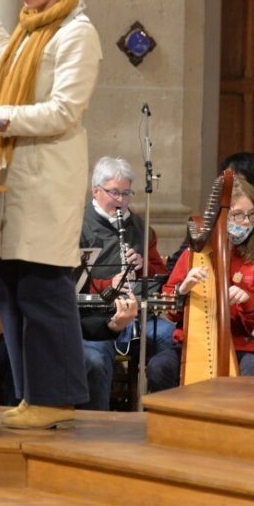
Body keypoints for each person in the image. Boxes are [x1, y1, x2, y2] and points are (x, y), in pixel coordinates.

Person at [0, 0, 101, 429]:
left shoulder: (76, 33)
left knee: (43, 291)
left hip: (46, 181)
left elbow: (64, 110)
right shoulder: (29, 31)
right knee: (12, 293)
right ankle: (30, 396)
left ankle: (56, 397)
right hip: (10, 181)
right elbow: (7, 58)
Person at [147, 178, 254, 391]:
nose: (245, 222)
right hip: (193, 344)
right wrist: (183, 290)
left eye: (251, 215)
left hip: (241, 347)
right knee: (158, 367)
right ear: (220, 218)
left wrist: (248, 301)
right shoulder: (194, 254)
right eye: (237, 215)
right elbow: (169, 311)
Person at [78, 156, 171, 411]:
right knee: (96, 359)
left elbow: (161, 277)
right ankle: (98, 426)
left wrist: (143, 267)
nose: (121, 201)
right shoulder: (77, 223)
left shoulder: (140, 226)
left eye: (126, 193)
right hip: (94, 316)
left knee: (171, 340)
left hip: (136, 315)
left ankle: (164, 418)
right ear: (96, 191)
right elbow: (72, 283)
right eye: (114, 193)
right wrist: (111, 283)